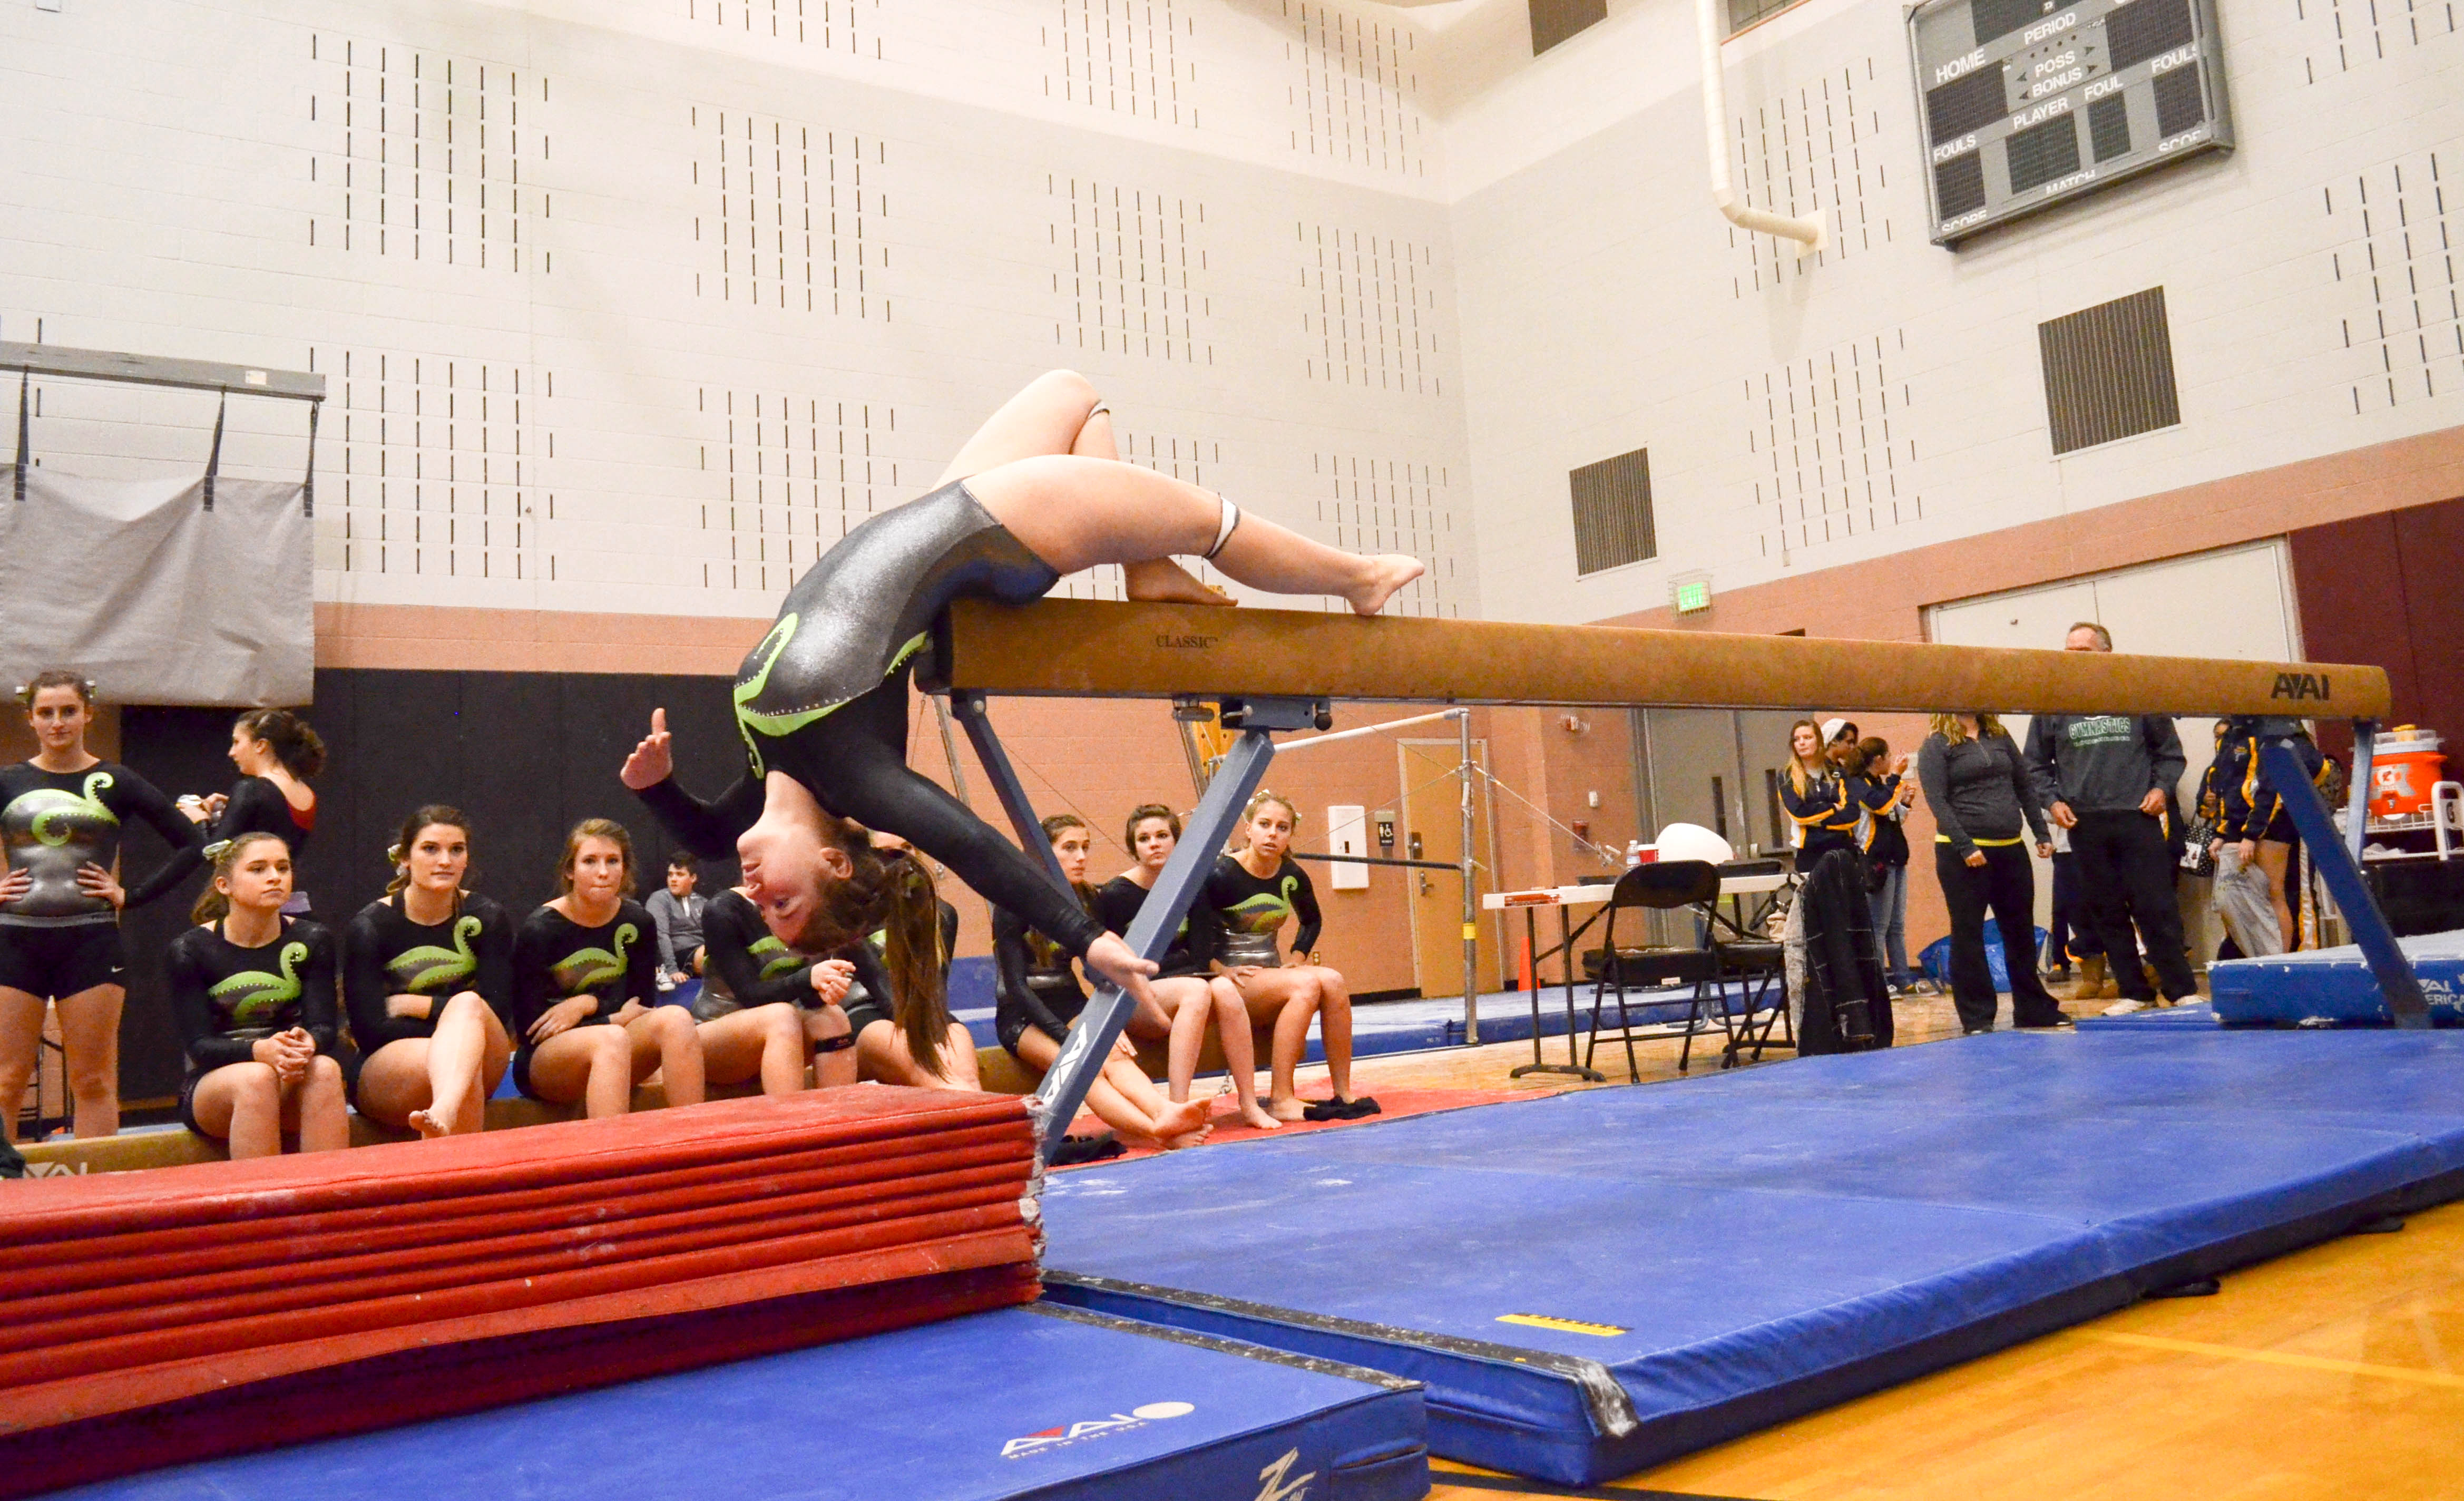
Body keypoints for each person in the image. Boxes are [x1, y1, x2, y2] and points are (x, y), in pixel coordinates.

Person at [618, 371, 1425, 1052]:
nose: (755, 893)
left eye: (765, 907)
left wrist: (656, 789)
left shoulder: (773, 777)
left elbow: (707, 835)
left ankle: (1147, 568)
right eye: (781, 904)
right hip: (1008, 524)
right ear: (833, 863)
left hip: (946, 519)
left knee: (1073, 393)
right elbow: (974, 847)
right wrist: (1088, 937)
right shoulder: (857, 777)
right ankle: (1356, 577)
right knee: (1218, 523)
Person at [0, 671, 208, 1140]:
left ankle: (97, 1203)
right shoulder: (9, 781)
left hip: (90, 942)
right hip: (14, 940)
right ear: (30, 718)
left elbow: (192, 844)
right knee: (6, 1082)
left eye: (68, 711)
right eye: (47, 713)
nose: (58, 723)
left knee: (93, 1081)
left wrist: (129, 896)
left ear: (88, 714)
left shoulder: (115, 780)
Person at [994, 815, 1213, 1150]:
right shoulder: (1012, 902)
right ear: (1041, 853)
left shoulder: (1086, 899)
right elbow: (1017, 988)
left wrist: (1109, 1022)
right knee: (1082, 1067)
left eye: (1085, 848)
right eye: (1070, 848)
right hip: (1022, 1015)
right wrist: (1066, 1037)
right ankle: (1158, 1133)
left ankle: (1166, 1112)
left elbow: (1098, 970)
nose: (1081, 857)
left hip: (1069, 1002)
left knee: (1116, 1057)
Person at [2025, 623, 2195, 1016]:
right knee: (2106, 910)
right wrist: (2051, 802)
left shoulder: (2137, 695)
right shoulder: (2053, 704)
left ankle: (2180, 986)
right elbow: (2034, 765)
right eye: (2068, 651)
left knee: (2155, 906)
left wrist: (2161, 789)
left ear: (2107, 654)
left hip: (2137, 815)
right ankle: (2134, 991)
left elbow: (2170, 754)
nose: (2073, 658)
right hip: (2085, 822)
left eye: (2083, 651)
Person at [1193, 792, 1376, 1122]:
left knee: (1332, 981)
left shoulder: (1290, 874)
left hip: (1269, 973)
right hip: (1231, 977)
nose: (1272, 834)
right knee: (1305, 985)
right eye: (1264, 825)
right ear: (1248, 829)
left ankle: (1343, 1091)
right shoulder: (1221, 874)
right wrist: (1218, 970)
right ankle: (1281, 1097)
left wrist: (1298, 956)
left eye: (1282, 827)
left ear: (1290, 834)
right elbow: (1196, 930)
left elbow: (1312, 919)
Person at [165, 833, 348, 1158]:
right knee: (256, 1078)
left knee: (325, 1070)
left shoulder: (313, 939)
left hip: (289, 1076)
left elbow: (324, 1027)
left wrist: (307, 1044)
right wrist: (260, 1051)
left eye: (283, 867)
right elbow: (200, 1046)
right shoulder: (190, 950)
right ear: (225, 885)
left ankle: (331, 1201)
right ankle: (263, 1205)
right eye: (258, 869)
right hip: (216, 1087)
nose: (275, 877)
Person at [1097, 805, 1279, 1130]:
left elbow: (1200, 951)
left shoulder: (1189, 887)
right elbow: (1099, 965)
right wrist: (1110, 1019)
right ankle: (1179, 1107)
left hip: (1180, 988)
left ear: (1176, 842)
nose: (1154, 844)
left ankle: (1249, 1102)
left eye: (1162, 836)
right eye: (1144, 838)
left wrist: (1217, 970)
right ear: (1132, 847)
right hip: (1135, 1000)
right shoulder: (1115, 895)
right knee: (1196, 989)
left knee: (1223, 988)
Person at [510, 820, 703, 1118]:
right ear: (569, 871)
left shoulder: (638, 922)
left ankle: (698, 1141)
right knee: (609, 1039)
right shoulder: (541, 929)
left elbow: (640, 1005)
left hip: (615, 1039)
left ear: (624, 869)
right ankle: (613, 1160)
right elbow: (530, 1029)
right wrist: (611, 1017)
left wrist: (588, 1004)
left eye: (612, 861)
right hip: (546, 1059)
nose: (603, 872)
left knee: (677, 1018)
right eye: (590, 861)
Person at [344, 806, 517, 1138]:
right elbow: (369, 1031)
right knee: (463, 1058)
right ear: (405, 858)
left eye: (457, 850)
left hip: (477, 1044)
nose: (445, 861)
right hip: (391, 1063)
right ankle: (456, 1157)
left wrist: (420, 1006)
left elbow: (498, 1012)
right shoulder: (371, 926)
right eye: (430, 849)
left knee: (468, 1006)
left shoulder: (487, 918)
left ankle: (444, 1110)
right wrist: (448, 1038)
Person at [1917, 712, 2067, 1035]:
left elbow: (2024, 785)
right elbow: (1937, 800)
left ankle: (2032, 1008)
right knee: (1968, 933)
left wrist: (2040, 832)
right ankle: (1977, 1016)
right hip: (1964, 853)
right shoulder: (1937, 744)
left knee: (2020, 931)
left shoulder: (1998, 736)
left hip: (2010, 846)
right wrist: (1964, 845)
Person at [2204, 716, 2329, 954]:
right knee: (2236, 899)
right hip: (2244, 823)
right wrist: (2223, 831)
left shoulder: (2276, 734)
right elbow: (2227, 789)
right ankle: (2256, 957)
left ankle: (2285, 958)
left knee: (2274, 895)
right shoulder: (2232, 738)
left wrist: (2252, 833)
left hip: (2275, 822)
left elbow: (2271, 786)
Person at [180, 710, 322, 887]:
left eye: (237, 742)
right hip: (287, 895)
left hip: (255, 901)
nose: (231, 753)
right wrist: (233, 814)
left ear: (260, 745)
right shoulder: (307, 792)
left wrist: (199, 820)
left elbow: (216, 856)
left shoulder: (251, 790)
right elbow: (274, 827)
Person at [1846, 737, 1916, 994]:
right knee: (1878, 926)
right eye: (1888, 758)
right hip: (1876, 861)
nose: (1891, 763)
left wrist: (1905, 803)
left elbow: (1892, 815)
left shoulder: (1877, 784)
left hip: (1896, 857)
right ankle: (1876, 982)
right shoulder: (1858, 785)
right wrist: (1895, 777)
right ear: (1878, 760)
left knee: (1897, 925)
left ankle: (1903, 978)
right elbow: (1880, 805)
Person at [1780, 719, 1859, 864]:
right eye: (1797, 740)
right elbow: (1799, 814)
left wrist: (1817, 822)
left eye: (1808, 738)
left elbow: (1853, 814)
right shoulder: (1787, 775)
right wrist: (1833, 807)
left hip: (1843, 849)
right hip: (1810, 852)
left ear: (1820, 741)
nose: (1802, 743)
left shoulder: (1838, 773)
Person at [647, 852, 707, 996]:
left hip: (702, 948)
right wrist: (672, 969)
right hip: (680, 953)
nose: (673, 879)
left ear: (693, 878)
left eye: (679, 875)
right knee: (715, 957)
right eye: (670, 875)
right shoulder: (659, 899)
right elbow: (661, 935)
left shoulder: (703, 902)